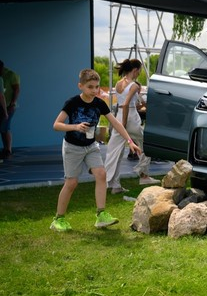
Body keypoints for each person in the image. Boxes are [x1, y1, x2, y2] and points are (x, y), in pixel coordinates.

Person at [50, 68, 142, 232]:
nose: (94, 90)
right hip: (72, 147)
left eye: (97, 87)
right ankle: (58, 219)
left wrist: (130, 141)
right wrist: (75, 127)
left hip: (91, 147)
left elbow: (116, 123)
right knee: (71, 183)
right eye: (90, 87)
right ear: (81, 86)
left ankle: (101, 215)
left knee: (101, 174)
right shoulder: (72, 103)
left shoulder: (99, 103)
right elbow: (56, 125)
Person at [105, 59, 160, 194]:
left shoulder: (119, 84)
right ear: (135, 70)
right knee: (147, 144)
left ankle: (113, 184)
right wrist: (124, 123)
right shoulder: (134, 85)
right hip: (129, 118)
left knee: (114, 151)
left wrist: (121, 122)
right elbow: (126, 104)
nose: (139, 73)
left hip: (119, 117)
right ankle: (143, 175)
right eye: (139, 70)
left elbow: (125, 103)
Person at [0, 60, 20, 160]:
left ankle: (8, 150)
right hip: (2, 105)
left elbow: (17, 89)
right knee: (3, 128)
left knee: (4, 127)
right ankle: (6, 149)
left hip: (8, 105)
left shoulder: (11, 75)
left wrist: (12, 103)